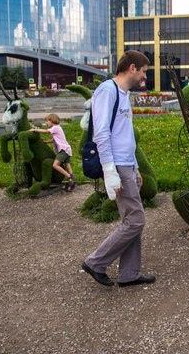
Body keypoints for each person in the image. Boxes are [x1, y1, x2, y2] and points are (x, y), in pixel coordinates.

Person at [81, 50, 156, 288]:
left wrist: (135, 167)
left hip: (126, 164)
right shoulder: (107, 90)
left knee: (131, 219)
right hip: (116, 165)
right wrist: (110, 171)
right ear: (132, 68)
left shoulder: (123, 94)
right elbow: (101, 133)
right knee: (135, 220)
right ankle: (96, 262)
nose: (144, 77)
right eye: (144, 71)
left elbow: (124, 136)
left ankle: (129, 273)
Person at [30, 114, 75, 192]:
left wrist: (35, 129)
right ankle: (72, 180)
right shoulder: (58, 128)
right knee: (67, 166)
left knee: (55, 165)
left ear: (52, 121)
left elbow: (46, 131)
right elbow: (54, 140)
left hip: (63, 150)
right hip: (67, 149)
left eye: (47, 121)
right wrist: (46, 142)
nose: (46, 123)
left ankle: (70, 178)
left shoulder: (55, 128)